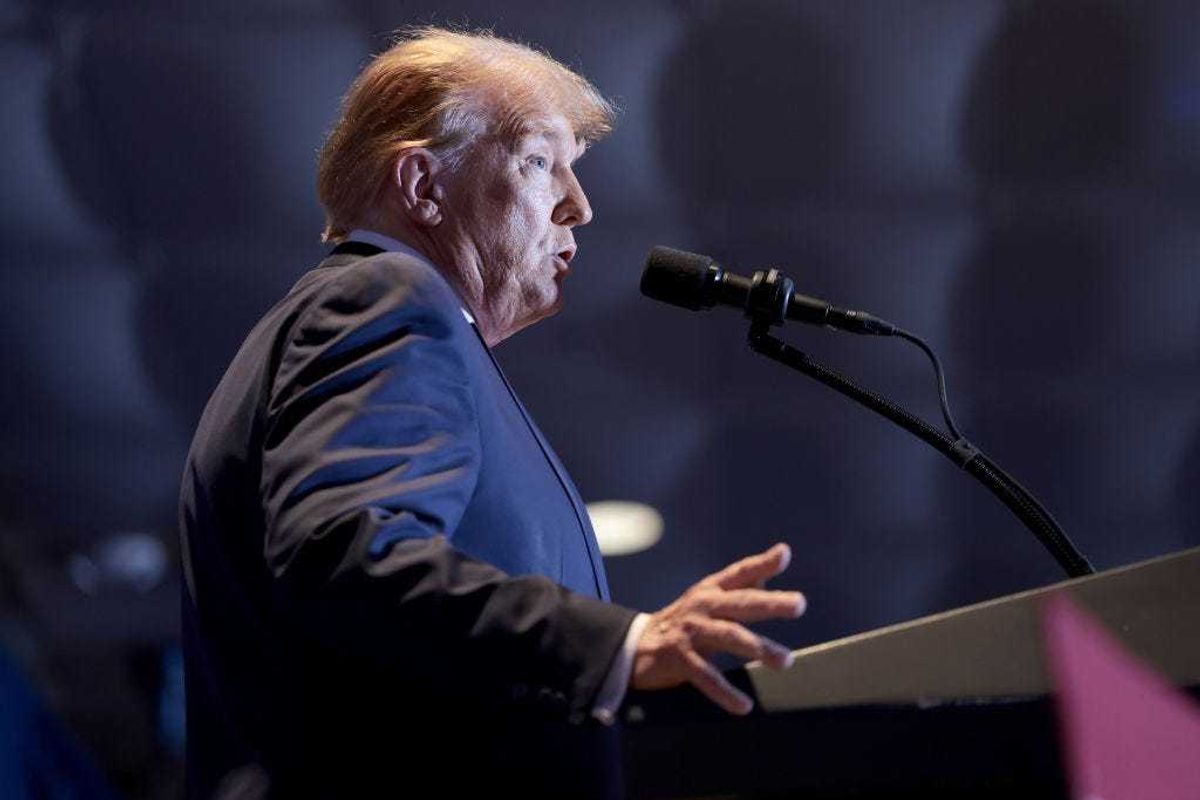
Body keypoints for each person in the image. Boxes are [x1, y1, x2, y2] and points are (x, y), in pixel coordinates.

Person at [179, 27, 805, 798]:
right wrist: (620, 646)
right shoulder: (384, 296)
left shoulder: (387, 323)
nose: (579, 206)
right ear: (422, 185)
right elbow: (348, 555)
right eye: (540, 162)